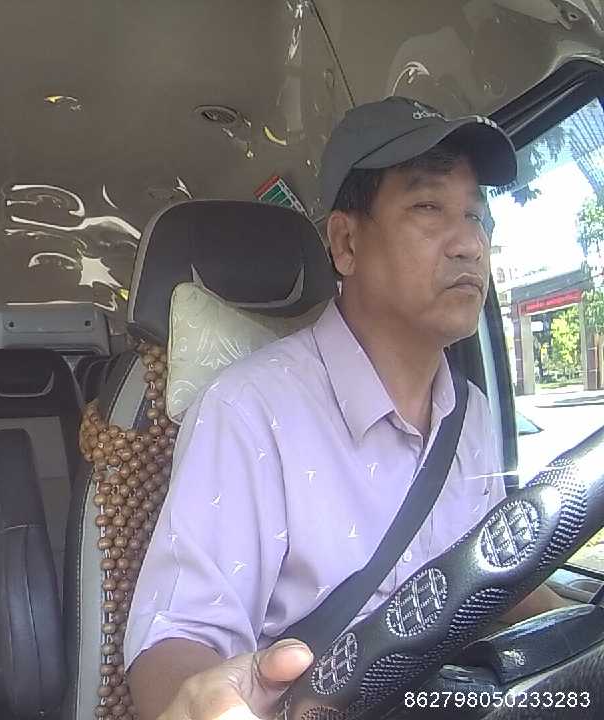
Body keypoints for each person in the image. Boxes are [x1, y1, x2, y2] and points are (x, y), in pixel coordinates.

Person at [125, 97, 573, 720]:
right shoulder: (250, 411)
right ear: (345, 243)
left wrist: (578, 618)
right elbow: (176, 641)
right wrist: (205, 699)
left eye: (477, 215)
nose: (470, 243)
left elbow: (489, 565)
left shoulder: (468, 410)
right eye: (428, 207)